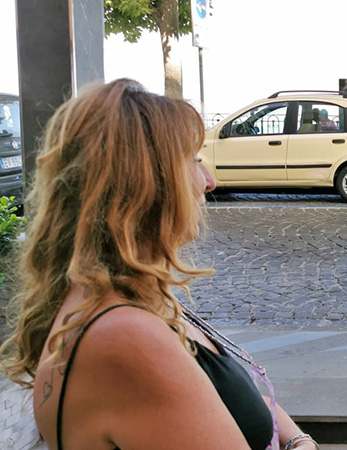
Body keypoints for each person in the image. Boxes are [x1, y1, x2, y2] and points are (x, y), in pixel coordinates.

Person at [0, 79, 319, 450]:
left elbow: (235, 398)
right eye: (193, 161)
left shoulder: (125, 297)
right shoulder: (125, 335)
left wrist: (299, 440)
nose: (208, 181)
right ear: (144, 186)